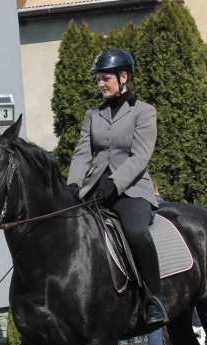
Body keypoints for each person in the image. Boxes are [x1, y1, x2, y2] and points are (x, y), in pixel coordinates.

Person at [67, 48, 167, 327]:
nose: (100, 83)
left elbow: (140, 156)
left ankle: (155, 298)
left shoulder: (144, 112)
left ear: (123, 77)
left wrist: (116, 183)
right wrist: (74, 185)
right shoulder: (93, 115)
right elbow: (82, 153)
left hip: (131, 189)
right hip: (95, 189)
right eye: (98, 79)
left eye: (105, 78)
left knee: (135, 233)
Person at [146, 179, 191, 345]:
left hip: (149, 271)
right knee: (177, 318)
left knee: (154, 319)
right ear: (158, 189)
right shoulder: (170, 213)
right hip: (172, 269)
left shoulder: (137, 213)